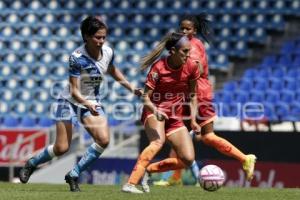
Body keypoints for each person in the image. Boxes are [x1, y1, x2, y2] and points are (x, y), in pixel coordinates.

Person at [19, 16, 142, 192]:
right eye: (97, 37)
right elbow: (74, 90)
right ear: (86, 36)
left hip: (90, 102)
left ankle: (74, 174)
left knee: (104, 140)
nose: (101, 41)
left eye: (103, 37)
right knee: (62, 147)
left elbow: (113, 70)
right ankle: (32, 163)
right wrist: (88, 104)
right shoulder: (76, 58)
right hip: (68, 101)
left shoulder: (108, 52)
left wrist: (131, 88)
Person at [155, 14, 257, 187]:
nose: (184, 31)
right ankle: (175, 177)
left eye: (188, 28)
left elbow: (196, 67)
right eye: (182, 28)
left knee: (208, 136)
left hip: (198, 95)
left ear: (194, 31)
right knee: (179, 134)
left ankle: (245, 158)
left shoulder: (193, 46)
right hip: (191, 95)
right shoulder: (189, 45)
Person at [121, 32, 201, 193]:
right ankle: (130, 183)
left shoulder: (192, 67)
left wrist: (193, 120)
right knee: (157, 142)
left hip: (174, 116)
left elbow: (193, 95)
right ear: (172, 51)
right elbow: (145, 98)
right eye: (184, 51)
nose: (188, 54)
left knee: (187, 159)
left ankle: (150, 170)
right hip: (153, 110)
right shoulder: (158, 68)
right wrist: (155, 110)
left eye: (189, 50)